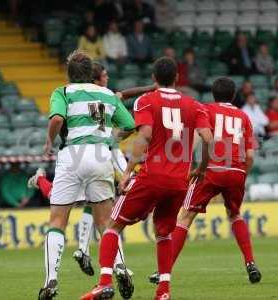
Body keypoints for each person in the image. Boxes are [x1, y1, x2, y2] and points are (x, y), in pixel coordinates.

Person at [79, 57, 213, 300]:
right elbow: (207, 138)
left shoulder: (147, 100)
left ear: (153, 78)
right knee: (164, 233)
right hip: (179, 181)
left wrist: (128, 172)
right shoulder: (195, 105)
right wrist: (201, 168)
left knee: (112, 225)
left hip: (152, 176)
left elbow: (145, 136)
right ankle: (163, 291)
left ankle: (105, 283)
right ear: (177, 78)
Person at [37, 51, 136, 300]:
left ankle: (50, 280)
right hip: (100, 155)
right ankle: (121, 266)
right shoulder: (107, 95)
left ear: (69, 73)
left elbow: (57, 119)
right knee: (106, 223)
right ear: (91, 73)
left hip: (72, 155)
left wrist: (49, 141)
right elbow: (129, 125)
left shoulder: (63, 92)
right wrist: (109, 138)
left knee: (57, 221)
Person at [149, 76, 261, 286]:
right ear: (234, 95)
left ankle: (163, 271)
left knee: (186, 216)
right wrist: (242, 172)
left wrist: (187, 166)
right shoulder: (244, 116)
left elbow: (197, 139)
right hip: (237, 170)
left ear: (213, 94)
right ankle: (250, 263)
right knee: (235, 214)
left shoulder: (205, 109)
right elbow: (251, 155)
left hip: (211, 169)